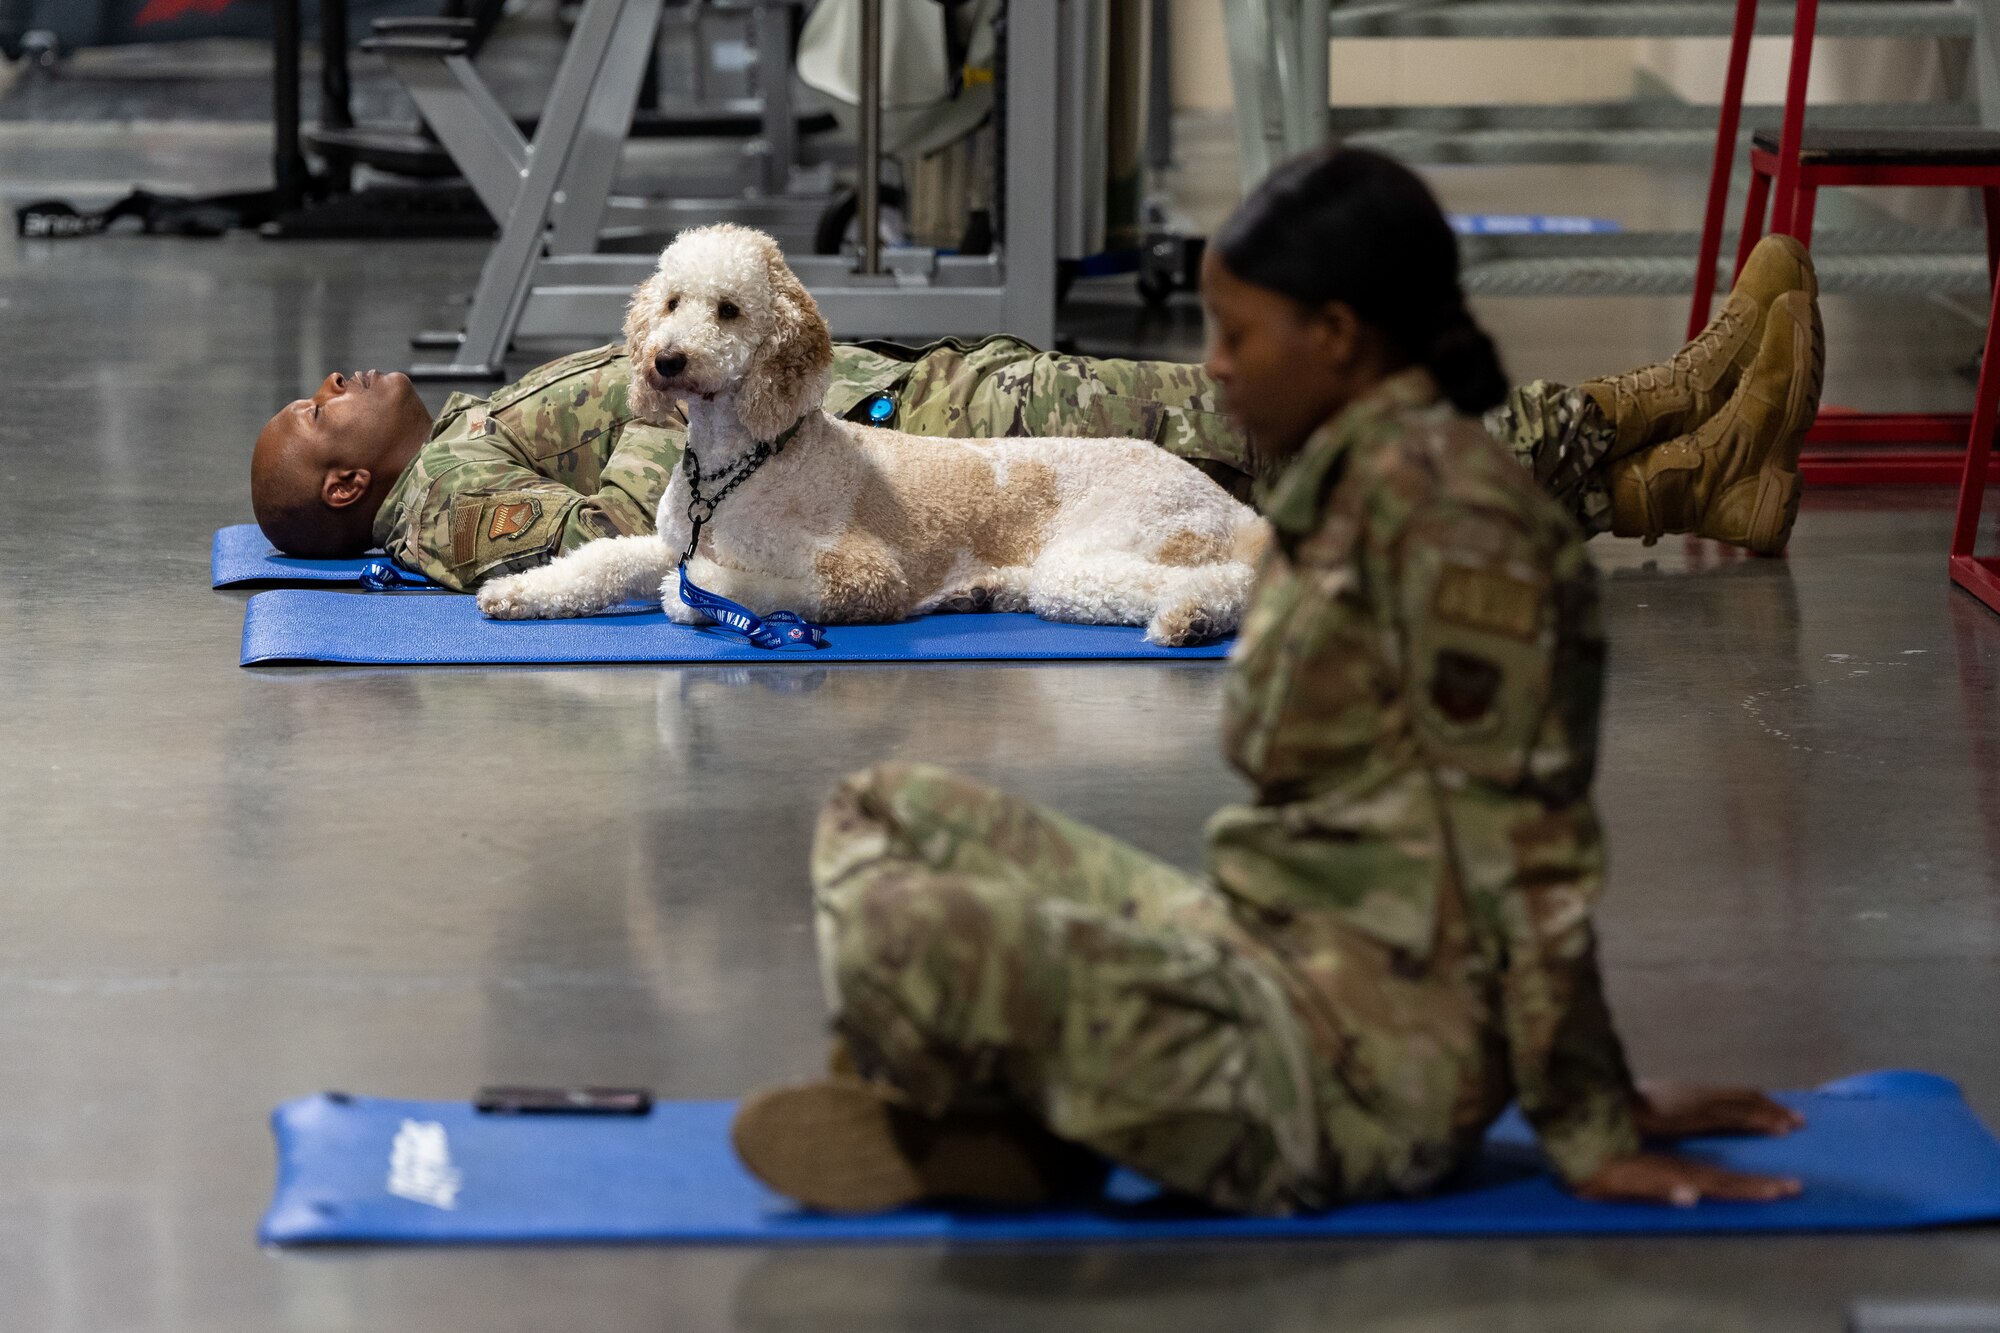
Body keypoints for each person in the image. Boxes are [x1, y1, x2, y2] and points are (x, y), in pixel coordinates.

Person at [724, 147, 1814, 1217]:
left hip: (1348, 1079)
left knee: (912, 936)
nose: (1216, 366)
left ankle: (999, 1123)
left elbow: (1528, 852)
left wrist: (1593, 1118)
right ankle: (1006, 1125)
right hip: (1269, 952)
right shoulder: (1344, 483)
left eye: (1237, 334)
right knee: (882, 812)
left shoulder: (1455, 537)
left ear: (1335, 337)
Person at [248, 234, 1820, 590]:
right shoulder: (445, 508)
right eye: (320, 419)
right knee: (1256, 413)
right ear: (344, 495)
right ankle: (1637, 423)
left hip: (876, 413)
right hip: (898, 449)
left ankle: (1670, 484)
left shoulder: (462, 433)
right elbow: (661, 542)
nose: (338, 387)